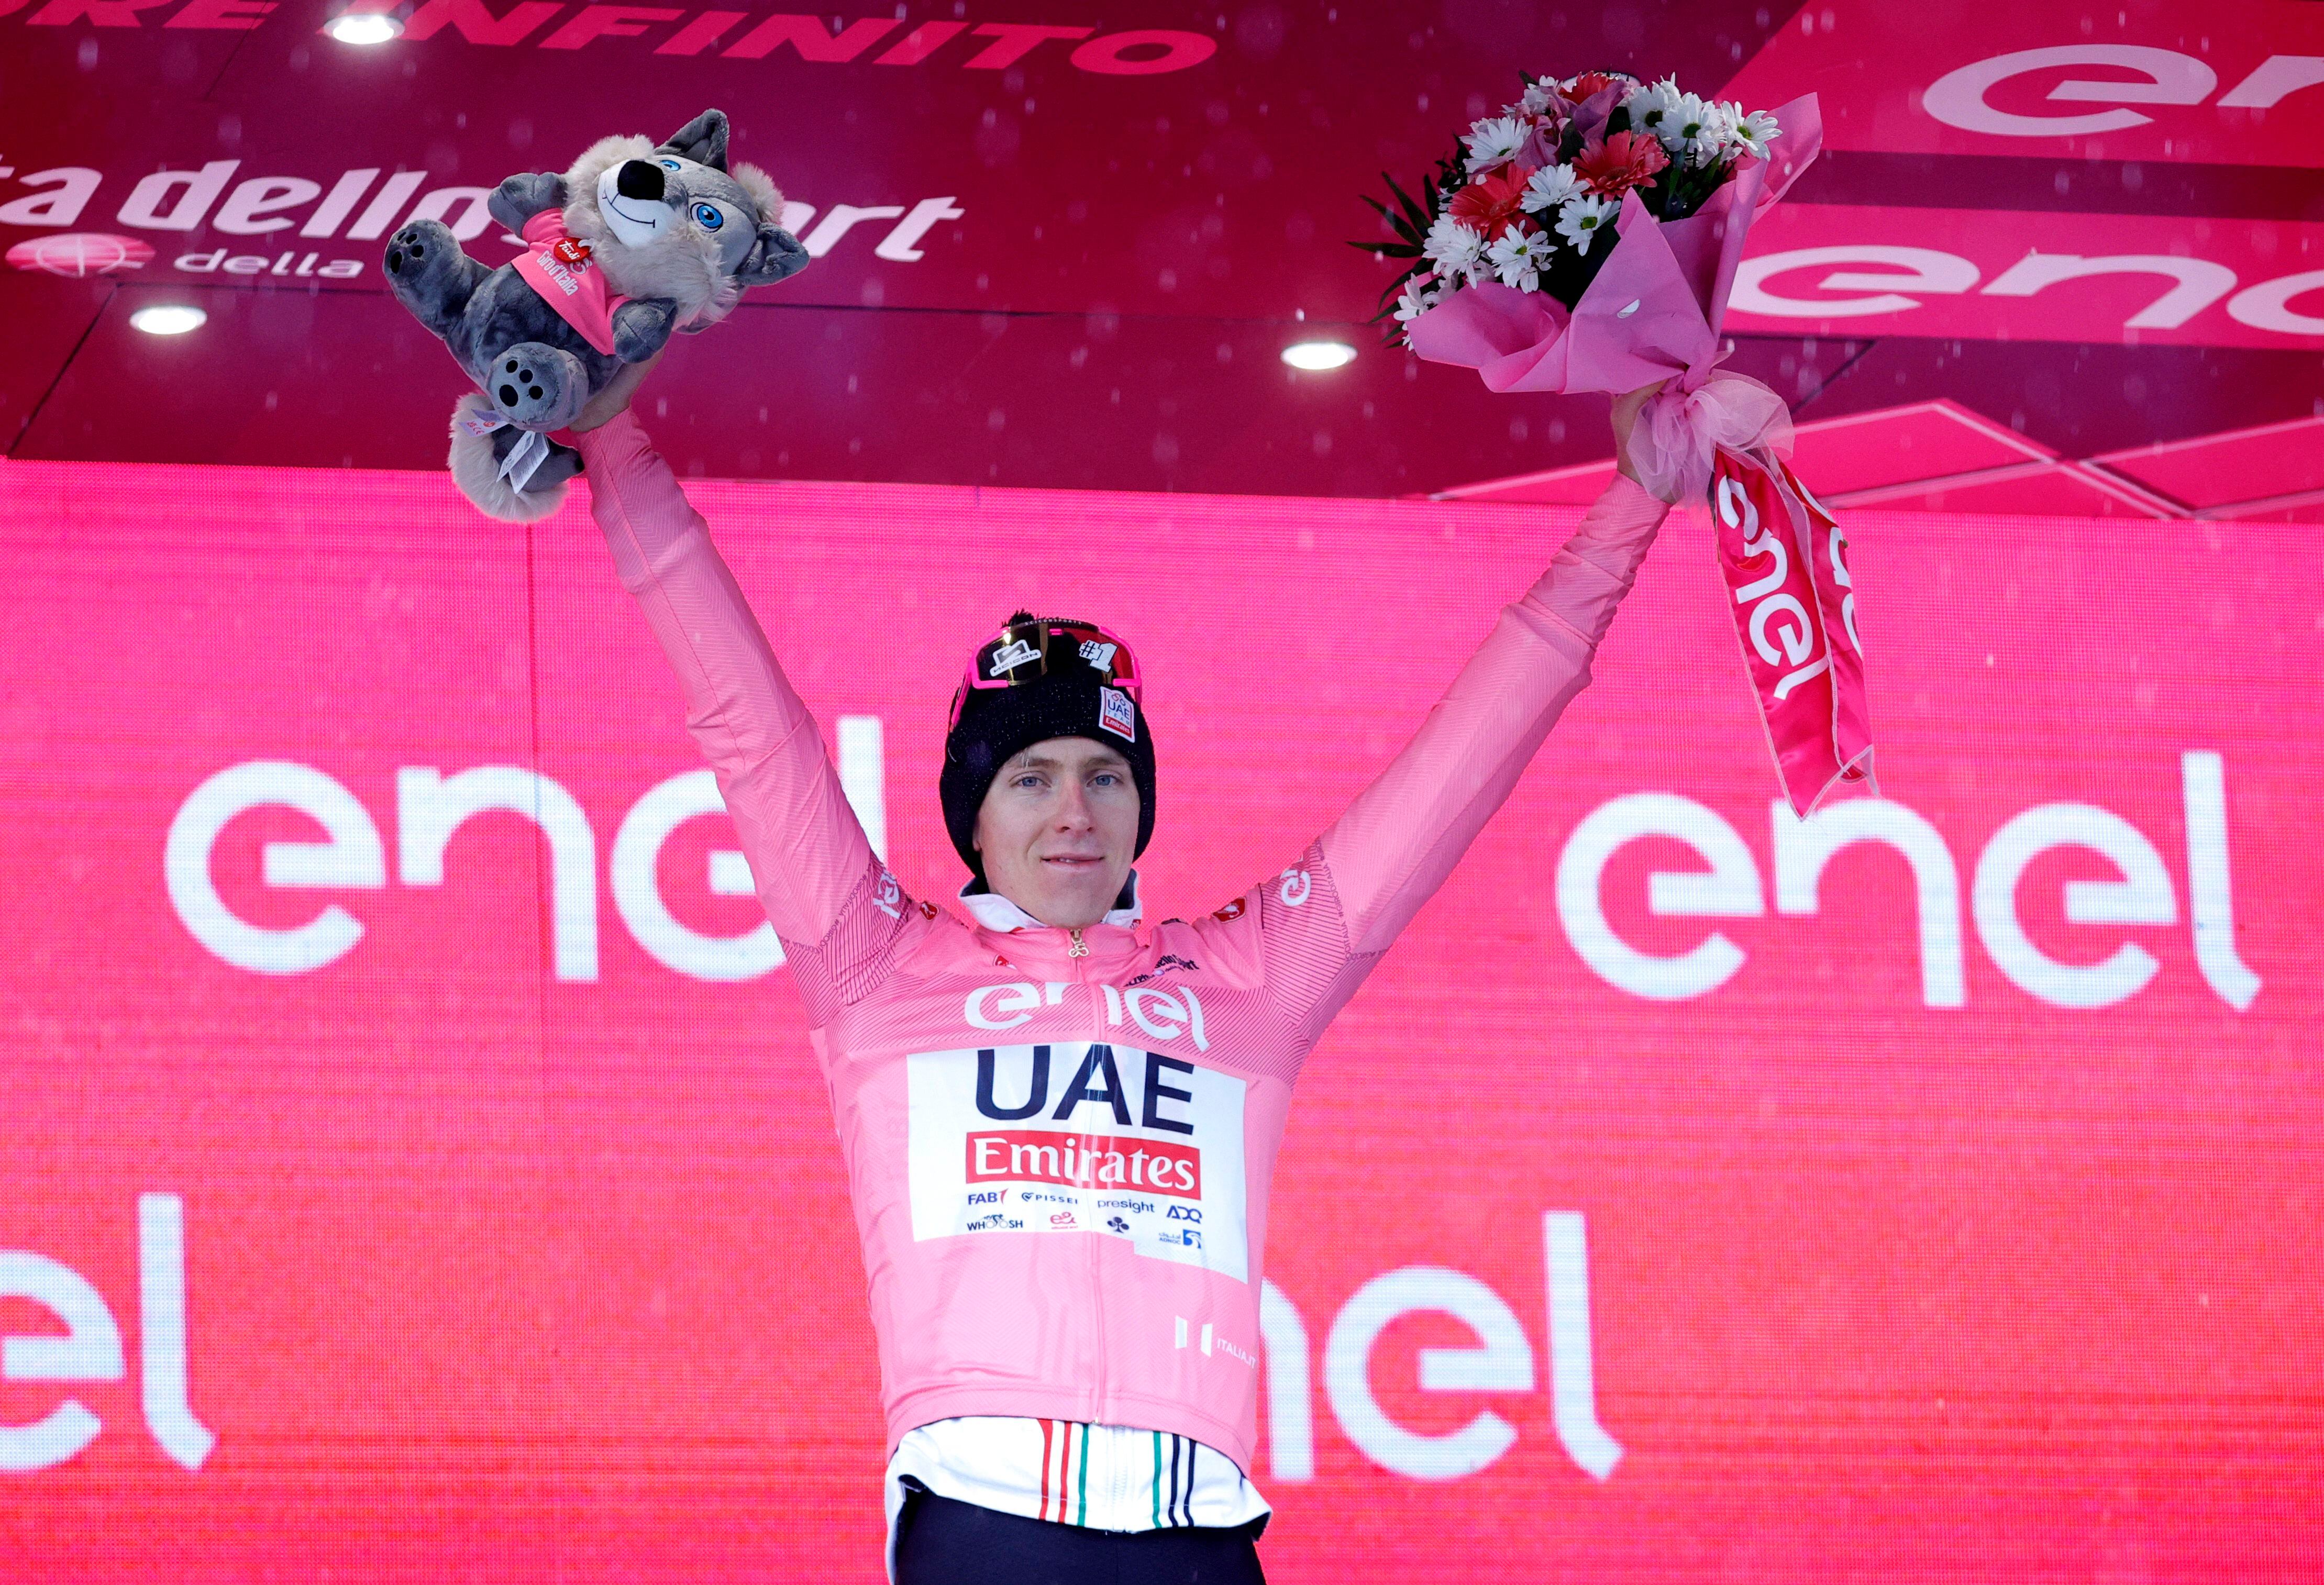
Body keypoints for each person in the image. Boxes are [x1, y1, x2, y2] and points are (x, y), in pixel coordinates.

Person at [566, 361, 1675, 1583]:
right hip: (982, 1524)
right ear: (971, 817)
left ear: (1140, 805)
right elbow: (747, 724)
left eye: (1105, 774)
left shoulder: (1249, 978)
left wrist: (1635, 496)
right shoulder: (876, 964)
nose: (1072, 813)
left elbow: (1466, 754)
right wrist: (613, 444)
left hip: (1200, 1539)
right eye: (1027, 777)